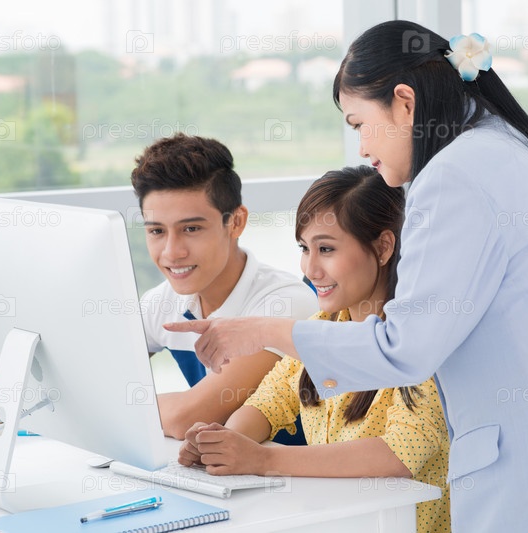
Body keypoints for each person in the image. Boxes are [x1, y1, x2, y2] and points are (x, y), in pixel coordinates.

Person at [165, 21, 528, 532]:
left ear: (404, 102)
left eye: (358, 123)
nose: (361, 147)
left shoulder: (450, 176)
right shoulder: (510, 144)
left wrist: (262, 331)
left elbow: (404, 351)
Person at [0, 134, 318, 442]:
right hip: (225, 477)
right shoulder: (163, 302)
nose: (171, 252)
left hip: (304, 489)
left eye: (191, 228)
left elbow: (188, 415)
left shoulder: (284, 304)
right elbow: (59, 372)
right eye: (156, 231)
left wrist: (80, 400)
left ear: (236, 222)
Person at [179, 166, 450, 533]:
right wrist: (221, 443)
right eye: (304, 249)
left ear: (384, 247)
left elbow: (399, 454)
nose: (310, 269)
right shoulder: (323, 326)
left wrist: (263, 459)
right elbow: (268, 403)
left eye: (326, 249)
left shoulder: (424, 339)